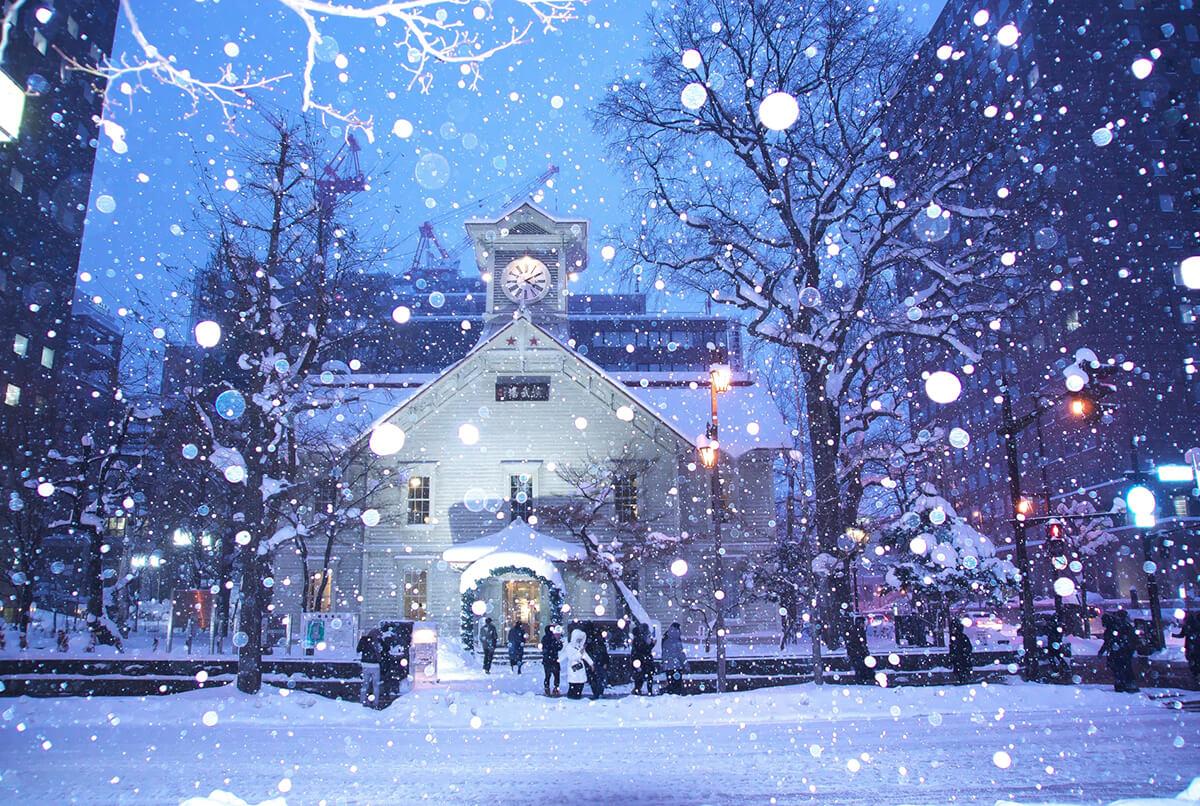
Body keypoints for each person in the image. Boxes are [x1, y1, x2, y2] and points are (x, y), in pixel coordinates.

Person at [1099, 611, 1139, 692]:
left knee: (1120, 668)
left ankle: (1122, 684)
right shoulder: (1123, 626)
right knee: (1124, 668)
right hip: (1123, 651)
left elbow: (1108, 641)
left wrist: (1102, 651)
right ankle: (1127, 684)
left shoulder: (1115, 627)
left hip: (1120, 652)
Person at [356, 627, 384, 708]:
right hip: (376, 665)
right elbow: (385, 649)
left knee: (365, 684)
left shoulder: (364, 640)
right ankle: (375, 703)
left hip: (365, 664)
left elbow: (358, 649)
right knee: (376, 685)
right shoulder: (378, 641)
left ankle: (362, 701)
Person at [562, 629, 593, 699]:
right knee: (573, 684)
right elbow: (572, 658)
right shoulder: (569, 647)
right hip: (573, 668)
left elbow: (585, 655)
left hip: (580, 668)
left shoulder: (580, 647)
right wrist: (580, 653)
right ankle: (571, 697)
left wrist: (591, 663)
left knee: (580, 684)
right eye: (578, 639)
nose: (579, 641)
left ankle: (578, 696)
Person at [1174, 611, 1200, 686]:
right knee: (1194, 660)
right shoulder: (1190, 625)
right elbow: (1182, 634)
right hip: (1193, 645)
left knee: (1193, 660)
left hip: (1192, 645)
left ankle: (1196, 674)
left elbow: (1183, 634)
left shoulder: (1190, 625)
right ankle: (1196, 674)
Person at [631, 623, 656, 695]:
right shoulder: (641, 638)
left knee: (640, 676)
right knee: (646, 676)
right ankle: (646, 690)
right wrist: (652, 644)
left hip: (639, 660)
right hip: (643, 660)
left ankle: (638, 689)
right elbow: (644, 649)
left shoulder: (638, 638)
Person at [845, 617, 872, 684]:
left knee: (860, 666)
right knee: (860, 666)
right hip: (857, 652)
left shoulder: (857, 630)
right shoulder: (858, 631)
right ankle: (861, 679)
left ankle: (861, 678)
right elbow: (859, 642)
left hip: (857, 652)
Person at [661, 622, 686, 694]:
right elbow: (681, 654)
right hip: (677, 665)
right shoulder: (677, 639)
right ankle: (676, 697)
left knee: (671, 683)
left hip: (667, 665)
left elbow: (664, 652)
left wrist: (664, 662)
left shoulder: (665, 637)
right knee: (677, 685)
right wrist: (685, 664)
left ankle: (670, 696)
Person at [586, 626, 610, 699]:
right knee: (599, 678)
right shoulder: (599, 642)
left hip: (596, 662)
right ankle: (598, 693)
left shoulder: (593, 642)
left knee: (595, 678)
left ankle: (597, 693)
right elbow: (604, 653)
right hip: (599, 662)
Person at [948, 619, 974, 683]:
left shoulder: (958, 637)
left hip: (961, 658)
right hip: (961, 658)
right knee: (961, 670)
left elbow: (967, 648)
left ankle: (962, 679)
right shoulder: (959, 637)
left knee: (961, 670)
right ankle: (962, 679)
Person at [541, 625, 562, 696]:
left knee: (547, 675)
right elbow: (559, 647)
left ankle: (547, 689)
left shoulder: (544, 638)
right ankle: (556, 688)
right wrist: (558, 641)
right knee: (556, 675)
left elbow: (544, 648)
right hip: (554, 659)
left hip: (547, 660)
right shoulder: (553, 638)